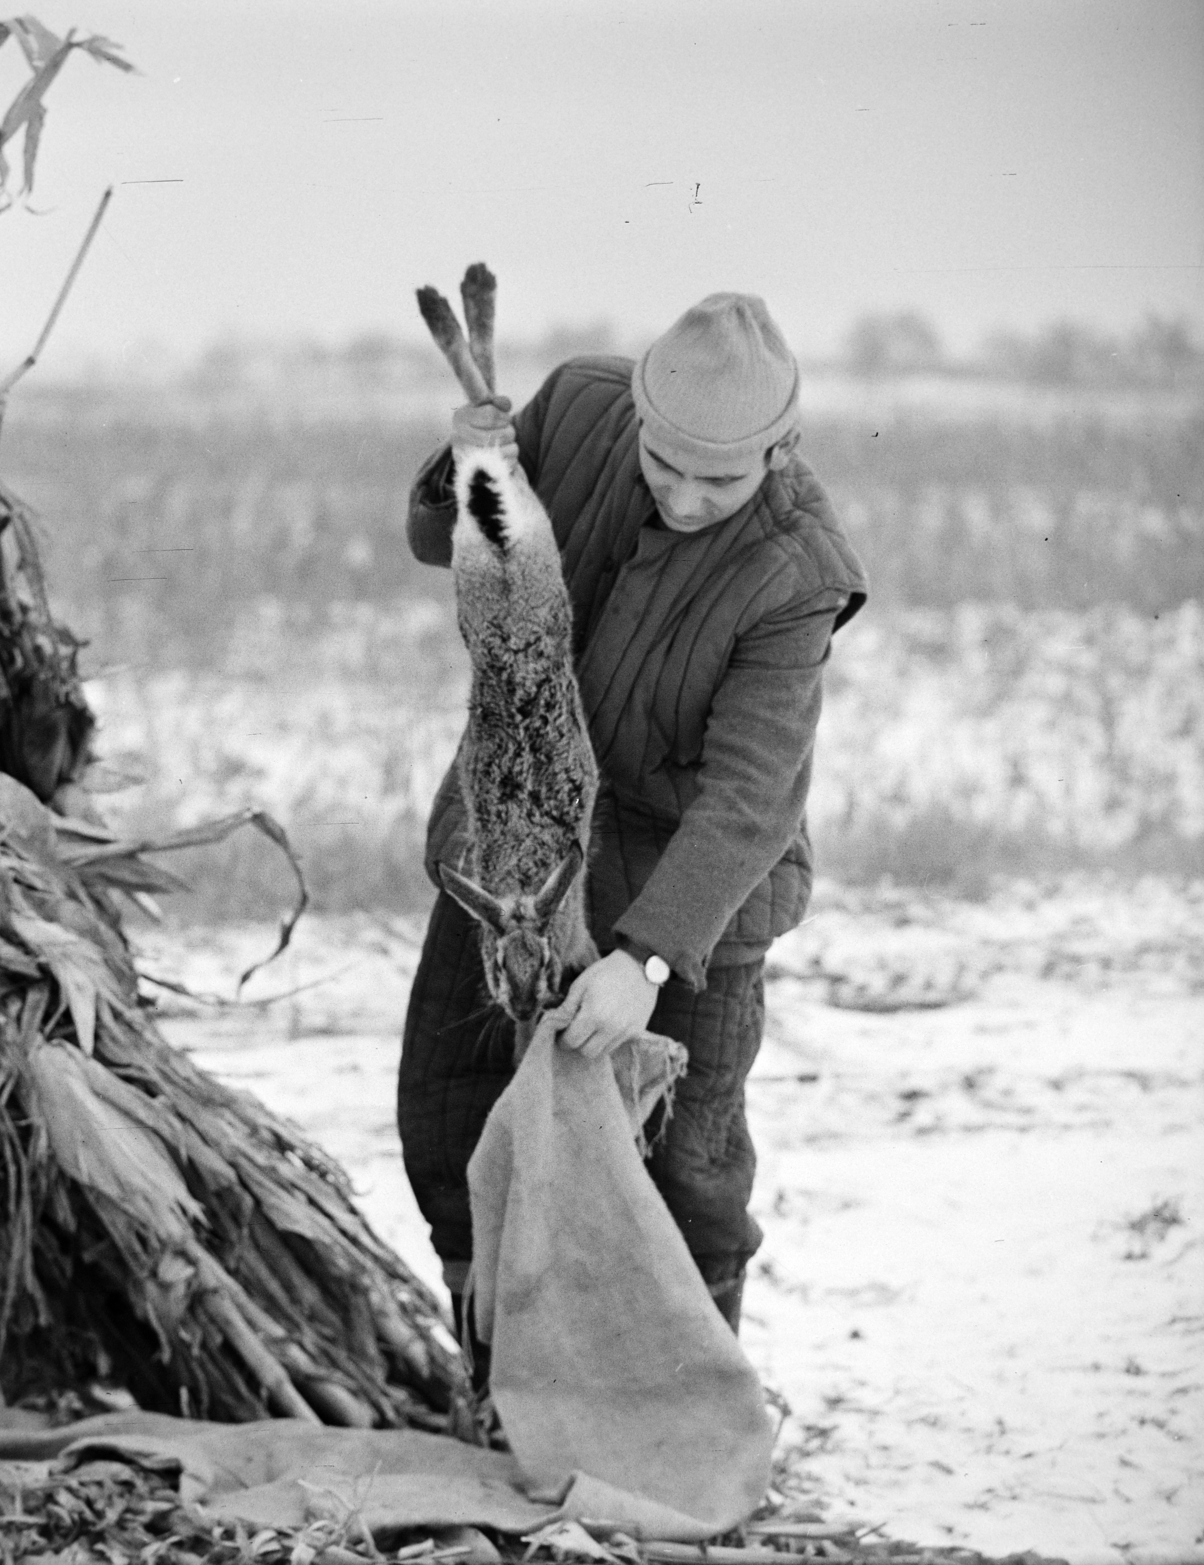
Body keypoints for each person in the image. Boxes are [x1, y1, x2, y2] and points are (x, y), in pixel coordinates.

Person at [398, 292, 867, 1343]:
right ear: (640, 420)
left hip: (693, 884)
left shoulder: (799, 569)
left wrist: (645, 962)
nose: (689, 498)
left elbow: (749, 797)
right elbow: (451, 541)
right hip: (518, 855)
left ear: (781, 448)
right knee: (454, 1110)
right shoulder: (580, 404)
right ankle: (503, 1382)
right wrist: (466, 467)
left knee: (683, 1165)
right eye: (666, 466)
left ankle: (685, 1423)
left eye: (723, 477)